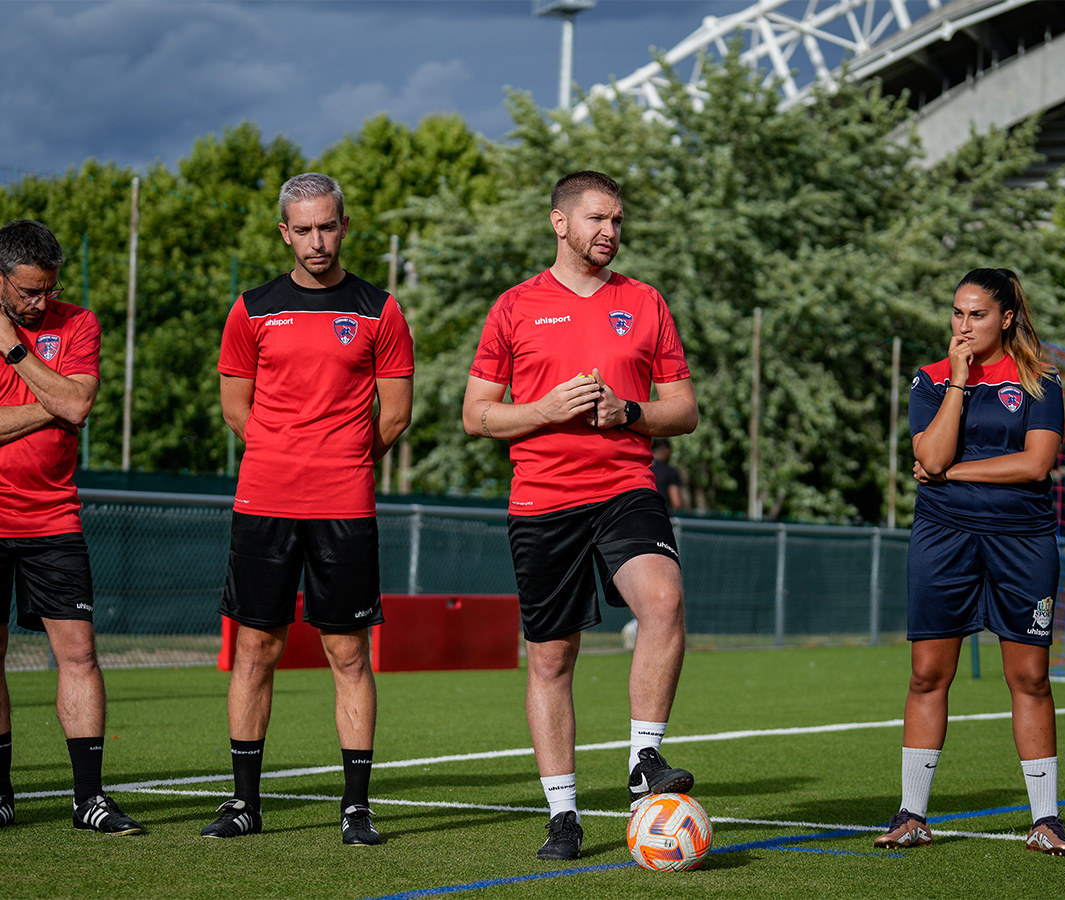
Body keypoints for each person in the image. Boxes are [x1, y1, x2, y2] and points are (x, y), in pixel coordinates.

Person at [463, 170, 699, 862]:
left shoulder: (645, 302)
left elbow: (682, 409)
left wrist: (628, 412)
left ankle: (643, 762)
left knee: (663, 600)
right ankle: (563, 815)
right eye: (598, 218)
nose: (611, 232)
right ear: (559, 223)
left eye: (618, 220)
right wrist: (546, 410)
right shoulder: (514, 307)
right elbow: (477, 414)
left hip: (626, 487)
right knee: (552, 657)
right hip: (542, 500)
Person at [208, 173, 414, 845]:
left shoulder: (380, 309)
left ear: (344, 226)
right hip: (264, 500)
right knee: (255, 648)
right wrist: (283, 453)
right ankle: (243, 804)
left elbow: (397, 413)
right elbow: (236, 408)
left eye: (328, 226)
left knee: (346, 651)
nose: (317, 240)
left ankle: (356, 809)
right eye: (304, 229)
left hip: (344, 504)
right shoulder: (252, 309)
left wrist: (343, 458)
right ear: (284, 233)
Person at [875, 268, 1065, 856]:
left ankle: (1047, 821)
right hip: (943, 538)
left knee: (1030, 678)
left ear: (1006, 318)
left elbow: (1035, 465)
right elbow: (928, 453)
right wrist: (959, 384)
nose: (964, 326)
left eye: (977, 315)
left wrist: (953, 472)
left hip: (1023, 540)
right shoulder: (932, 379)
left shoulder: (1041, 379)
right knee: (927, 675)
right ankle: (912, 815)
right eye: (957, 314)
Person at [0, 219, 142, 835]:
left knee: (79, 653)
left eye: (49, 289)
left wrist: (13, 349)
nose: (41, 301)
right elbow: (62, 406)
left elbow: (79, 405)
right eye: (29, 291)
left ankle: (89, 799)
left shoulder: (78, 323)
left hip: (54, 517)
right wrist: (50, 405)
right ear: (2, 278)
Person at [651, 438, 684, 512]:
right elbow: (676, 502)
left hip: (641, 514)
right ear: (667, 451)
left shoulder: (644, 469)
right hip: (661, 516)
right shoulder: (670, 471)